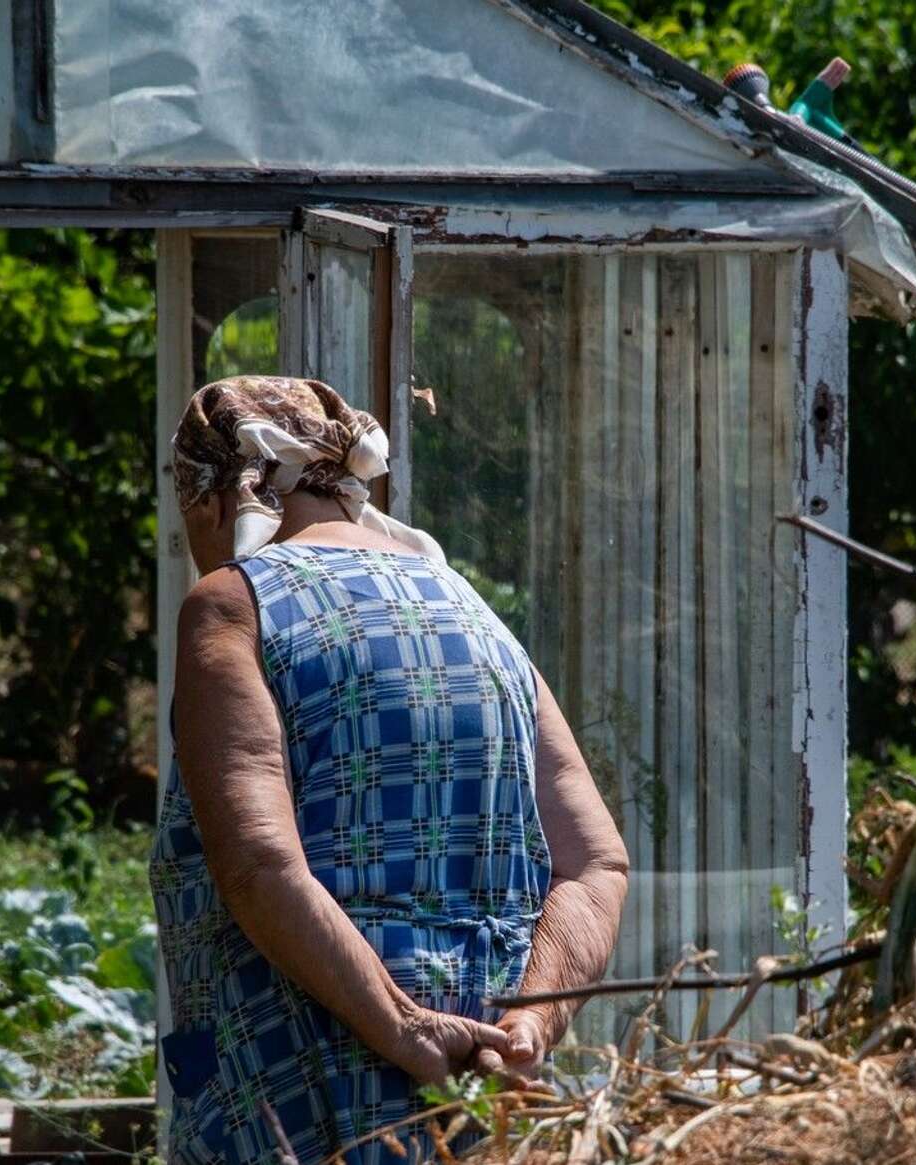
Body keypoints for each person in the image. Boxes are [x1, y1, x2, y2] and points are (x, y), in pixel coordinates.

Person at [152, 375, 630, 1163]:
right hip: (483, 1105)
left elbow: (259, 868)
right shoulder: (473, 608)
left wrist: (405, 1027)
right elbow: (596, 863)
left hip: (299, 1106)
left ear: (213, 496)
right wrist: (528, 1024)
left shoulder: (232, 606)